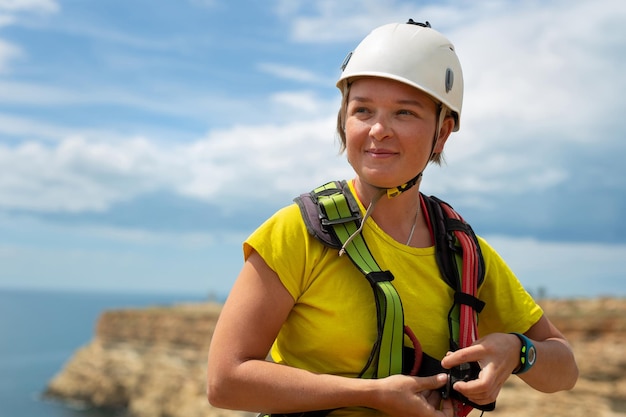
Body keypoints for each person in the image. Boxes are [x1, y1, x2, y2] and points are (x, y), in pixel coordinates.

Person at [207, 20, 578, 417]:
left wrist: (518, 352)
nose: (379, 130)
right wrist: (369, 394)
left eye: (405, 113)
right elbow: (225, 380)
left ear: (443, 133)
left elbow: (564, 369)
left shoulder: (462, 252)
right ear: (344, 121)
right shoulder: (299, 232)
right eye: (362, 110)